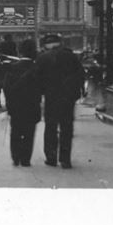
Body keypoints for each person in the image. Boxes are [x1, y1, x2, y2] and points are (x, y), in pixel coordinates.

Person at [36, 34, 85, 168]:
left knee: (50, 126)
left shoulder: (42, 58)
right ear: (60, 43)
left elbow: (37, 79)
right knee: (66, 128)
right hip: (67, 98)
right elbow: (80, 75)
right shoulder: (70, 56)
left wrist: (40, 94)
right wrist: (76, 93)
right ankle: (65, 159)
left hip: (51, 97)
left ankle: (51, 157)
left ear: (47, 45)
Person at [3, 56, 42, 166]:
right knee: (29, 134)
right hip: (32, 106)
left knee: (15, 131)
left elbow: (6, 87)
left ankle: (15, 157)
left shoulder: (12, 68)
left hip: (16, 106)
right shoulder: (36, 68)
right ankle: (26, 159)